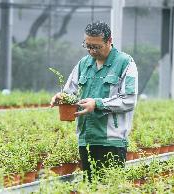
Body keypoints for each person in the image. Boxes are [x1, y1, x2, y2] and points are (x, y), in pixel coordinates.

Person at [50, 21, 138, 181]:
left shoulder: (125, 63)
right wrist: (61, 97)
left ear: (109, 41)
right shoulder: (84, 64)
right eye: (88, 46)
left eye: (96, 47)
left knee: (110, 187)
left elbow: (129, 100)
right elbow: (70, 92)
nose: (91, 51)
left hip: (112, 140)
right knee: (90, 186)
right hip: (86, 138)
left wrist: (97, 104)